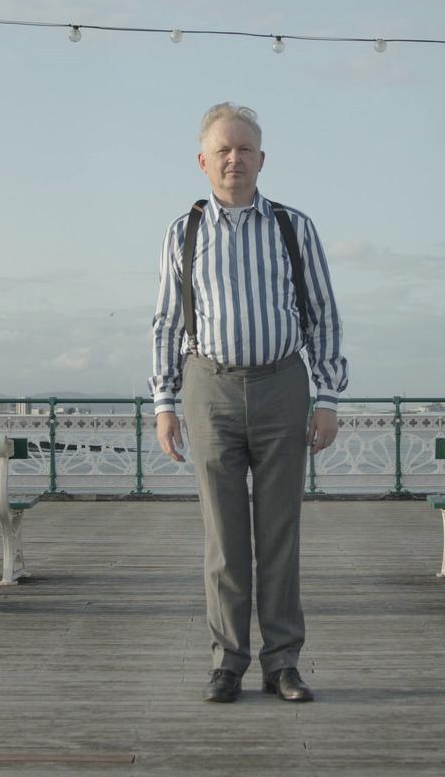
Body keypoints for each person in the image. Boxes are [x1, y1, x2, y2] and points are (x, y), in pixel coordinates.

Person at [150, 102, 347, 704]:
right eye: (224, 150)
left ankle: (282, 662)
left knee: (281, 532)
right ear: (203, 161)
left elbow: (322, 315)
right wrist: (164, 402)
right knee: (224, 537)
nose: (235, 160)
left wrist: (328, 396)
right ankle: (228, 661)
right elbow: (164, 323)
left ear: (263, 159)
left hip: (283, 384)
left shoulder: (294, 227)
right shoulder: (183, 232)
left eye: (246, 150)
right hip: (208, 387)